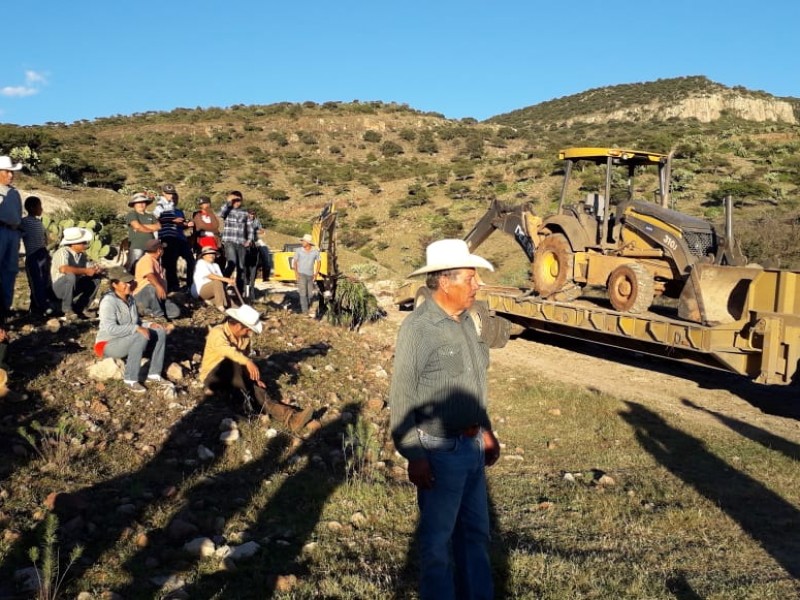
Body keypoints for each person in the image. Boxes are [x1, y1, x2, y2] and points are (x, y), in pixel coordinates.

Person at [388, 239, 501, 600]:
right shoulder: (418, 328)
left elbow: (474, 383)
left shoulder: (468, 321)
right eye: (470, 278)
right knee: (437, 545)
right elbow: (402, 393)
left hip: (471, 447)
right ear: (444, 281)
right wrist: (414, 454)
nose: (477, 285)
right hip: (439, 452)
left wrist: (485, 430)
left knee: (476, 536)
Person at [198, 304, 314, 433]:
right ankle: (245, 405)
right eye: (247, 329)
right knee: (234, 363)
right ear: (237, 325)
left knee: (257, 389)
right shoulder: (218, 333)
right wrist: (248, 362)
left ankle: (291, 418)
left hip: (235, 378)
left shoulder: (244, 339)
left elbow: (242, 363)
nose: (249, 333)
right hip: (213, 377)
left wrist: (252, 378)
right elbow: (228, 352)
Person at [95, 266, 170, 394]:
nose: (129, 285)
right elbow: (111, 329)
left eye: (130, 281)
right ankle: (130, 379)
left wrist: (149, 325)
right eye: (125, 283)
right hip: (108, 343)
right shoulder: (108, 302)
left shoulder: (130, 299)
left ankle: (154, 373)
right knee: (139, 335)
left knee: (160, 331)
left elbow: (136, 322)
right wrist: (137, 328)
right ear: (115, 284)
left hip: (126, 339)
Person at [51, 227, 103, 320]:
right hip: (57, 289)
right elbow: (63, 269)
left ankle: (81, 308)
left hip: (72, 287)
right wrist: (86, 271)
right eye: (83, 242)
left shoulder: (81, 256)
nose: (86, 244)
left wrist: (95, 270)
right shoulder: (63, 252)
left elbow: (87, 267)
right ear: (74, 244)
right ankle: (67, 309)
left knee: (96, 279)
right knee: (70, 276)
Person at [153, 183, 195, 292]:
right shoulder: (160, 206)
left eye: (173, 194)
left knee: (190, 259)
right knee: (170, 261)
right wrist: (171, 220)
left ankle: (191, 284)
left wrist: (186, 225)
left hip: (180, 238)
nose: (171, 197)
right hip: (167, 236)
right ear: (163, 193)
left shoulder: (179, 210)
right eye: (168, 194)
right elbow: (154, 219)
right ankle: (172, 286)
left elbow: (180, 225)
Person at [20, 196, 55, 316]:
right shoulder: (27, 222)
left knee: (38, 283)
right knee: (40, 283)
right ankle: (41, 308)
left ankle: (39, 308)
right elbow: (45, 239)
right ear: (31, 208)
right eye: (39, 206)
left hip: (38, 254)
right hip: (38, 254)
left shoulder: (29, 222)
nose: (41, 209)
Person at [0, 156, 24, 322]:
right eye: (7, 171)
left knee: (10, 270)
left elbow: (18, 215)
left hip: (13, 233)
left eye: (12, 172)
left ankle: (5, 308)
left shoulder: (14, 193)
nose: (11, 175)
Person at [133, 239, 181, 320]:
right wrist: (158, 286)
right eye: (162, 248)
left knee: (175, 312)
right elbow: (149, 275)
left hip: (157, 297)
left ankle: (148, 311)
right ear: (159, 250)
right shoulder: (146, 259)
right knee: (152, 287)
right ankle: (159, 315)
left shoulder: (156, 262)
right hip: (143, 296)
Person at [219, 191, 249, 295]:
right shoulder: (227, 211)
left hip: (241, 242)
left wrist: (248, 240)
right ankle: (221, 286)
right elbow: (221, 213)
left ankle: (239, 292)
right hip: (229, 241)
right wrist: (229, 202)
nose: (236, 202)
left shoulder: (245, 213)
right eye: (234, 200)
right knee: (232, 263)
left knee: (241, 267)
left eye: (238, 200)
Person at [192, 247, 235, 312]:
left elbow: (221, 281)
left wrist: (227, 296)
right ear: (204, 256)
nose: (211, 256)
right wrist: (227, 279)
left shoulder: (216, 265)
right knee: (217, 282)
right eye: (209, 254)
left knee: (229, 302)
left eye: (213, 254)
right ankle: (220, 307)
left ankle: (234, 309)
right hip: (200, 290)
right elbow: (210, 276)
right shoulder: (200, 263)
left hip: (214, 290)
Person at [125, 192, 160, 272]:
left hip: (152, 247)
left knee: (151, 269)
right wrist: (150, 228)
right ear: (134, 204)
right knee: (134, 268)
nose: (141, 204)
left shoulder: (151, 216)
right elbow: (137, 226)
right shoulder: (132, 214)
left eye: (143, 202)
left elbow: (158, 227)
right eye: (138, 202)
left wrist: (141, 226)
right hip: (137, 246)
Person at [293, 233, 320, 317]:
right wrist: (296, 273)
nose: (302, 242)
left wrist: (316, 273)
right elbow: (295, 262)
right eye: (302, 241)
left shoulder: (315, 252)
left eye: (304, 241)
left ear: (308, 243)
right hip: (301, 274)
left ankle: (306, 307)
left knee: (310, 294)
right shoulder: (298, 250)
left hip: (310, 275)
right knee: (303, 293)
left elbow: (319, 262)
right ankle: (305, 311)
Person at [243, 208, 263, 303]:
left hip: (254, 240)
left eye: (253, 214)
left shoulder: (257, 221)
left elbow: (261, 229)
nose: (252, 215)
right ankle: (244, 292)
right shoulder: (243, 220)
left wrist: (260, 231)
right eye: (250, 214)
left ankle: (262, 264)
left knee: (262, 248)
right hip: (244, 241)